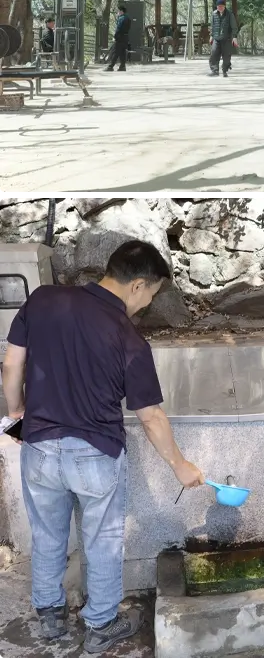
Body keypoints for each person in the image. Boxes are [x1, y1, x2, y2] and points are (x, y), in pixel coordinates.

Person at [1, 240, 205, 654]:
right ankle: (101, 625)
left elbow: (11, 363)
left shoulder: (43, 299)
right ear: (138, 285)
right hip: (94, 453)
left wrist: (17, 412)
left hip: (39, 448)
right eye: (151, 294)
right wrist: (179, 464)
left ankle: (50, 616)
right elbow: (151, 416)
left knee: (48, 534)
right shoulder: (128, 339)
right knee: (102, 541)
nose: (147, 304)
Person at [209, 0, 238, 77]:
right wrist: (211, 35)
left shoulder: (230, 14)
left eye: (221, 6)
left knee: (226, 56)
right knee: (214, 53)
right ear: (217, 7)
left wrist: (234, 37)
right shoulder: (214, 14)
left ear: (224, 6)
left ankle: (225, 70)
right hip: (216, 38)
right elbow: (212, 26)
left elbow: (234, 27)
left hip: (226, 38)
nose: (220, 8)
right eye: (219, 6)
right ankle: (214, 71)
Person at [106, 5, 131, 72]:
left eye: (118, 11)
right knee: (123, 52)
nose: (117, 12)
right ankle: (122, 66)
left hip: (120, 37)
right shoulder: (128, 18)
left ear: (121, 11)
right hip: (126, 37)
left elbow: (118, 28)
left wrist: (115, 36)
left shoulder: (121, 18)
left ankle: (110, 66)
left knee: (115, 51)